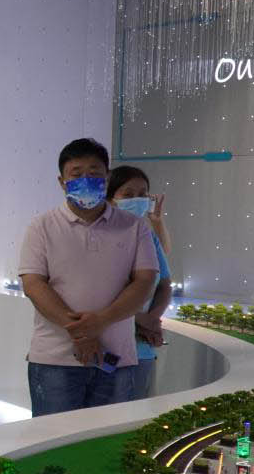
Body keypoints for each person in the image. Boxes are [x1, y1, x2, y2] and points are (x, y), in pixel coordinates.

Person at [19, 139, 159, 416]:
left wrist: (102, 321)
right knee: (54, 438)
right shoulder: (41, 226)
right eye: (77, 174)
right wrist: (82, 334)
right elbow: (33, 284)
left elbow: (145, 281)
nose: (86, 180)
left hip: (116, 360)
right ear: (62, 182)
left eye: (94, 173)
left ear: (107, 177)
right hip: (55, 360)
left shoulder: (134, 227)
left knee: (106, 437)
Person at [108, 166, 172, 400]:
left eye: (143, 194)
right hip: (106, 349)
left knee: (135, 414)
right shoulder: (98, 236)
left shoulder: (147, 235)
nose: (137, 199)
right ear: (110, 198)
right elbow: (98, 295)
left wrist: (152, 319)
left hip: (142, 349)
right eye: (128, 194)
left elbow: (164, 283)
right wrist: (140, 319)